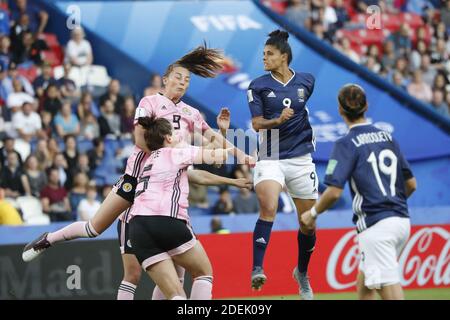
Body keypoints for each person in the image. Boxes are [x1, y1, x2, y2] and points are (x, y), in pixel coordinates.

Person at [23, 43, 254, 300]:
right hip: (136, 181)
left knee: (161, 274)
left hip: (164, 190)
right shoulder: (151, 102)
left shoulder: (192, 113)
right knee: (94, 229)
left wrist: (242, 155)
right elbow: (140, 140)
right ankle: (49, 239)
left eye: (187, 80)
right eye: (178, 77)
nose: (183, 82)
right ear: (164, 80)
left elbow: (213, 141)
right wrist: (168, 153)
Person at [300, 84, 417, 300]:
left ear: (340, 110)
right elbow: (411, 185)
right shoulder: (387, 137)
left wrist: (312, 214)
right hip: (401, 222)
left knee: (389, 290)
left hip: (376, 227)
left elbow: (334, 192)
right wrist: (391, 206)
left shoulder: (346, 143)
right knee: (364, 288)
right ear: (367, 106)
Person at [247, 30, 318, 299]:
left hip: (300, 158)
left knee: (308, 224)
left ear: (284, 57)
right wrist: (276, 121)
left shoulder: (307, 82)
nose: (264, 58)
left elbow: (303, 111)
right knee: (268, 206)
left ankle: (301, 272)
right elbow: (255, 124)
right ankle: (257, 268)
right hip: (271, 155)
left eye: (269, 54)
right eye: (263, 54)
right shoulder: (257, 86)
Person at [128, 115, 231, 299]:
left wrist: (220, 133)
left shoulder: (149, 160)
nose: (178, 136)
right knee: (203, 273)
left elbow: (203, 150)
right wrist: (223, 152)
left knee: (175, 293)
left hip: (137, 228)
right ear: (168, 138)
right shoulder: (175, 152)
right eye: (175, 133)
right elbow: (215, 154)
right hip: (165, 220)